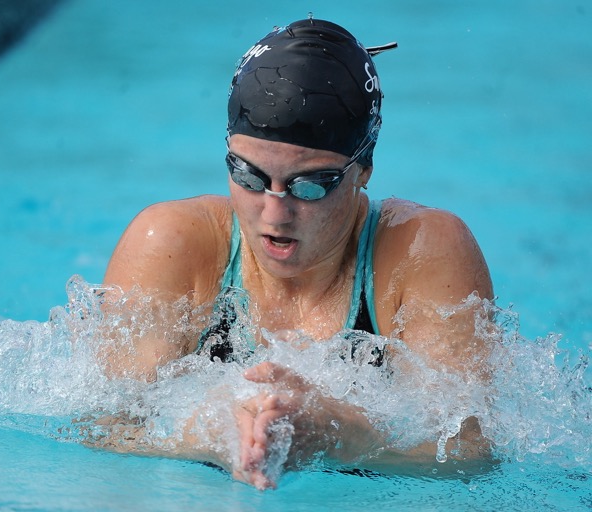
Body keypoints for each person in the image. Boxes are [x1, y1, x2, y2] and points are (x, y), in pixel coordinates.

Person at [99, 18, 494, 489]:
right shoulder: (170, 243)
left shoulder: (422, 251)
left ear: (363, 169)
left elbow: (472, 452)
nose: (274, 212)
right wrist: (215, 433)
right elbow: (105, 427)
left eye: (309, 186)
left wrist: (343, 435)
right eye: (248, 176)